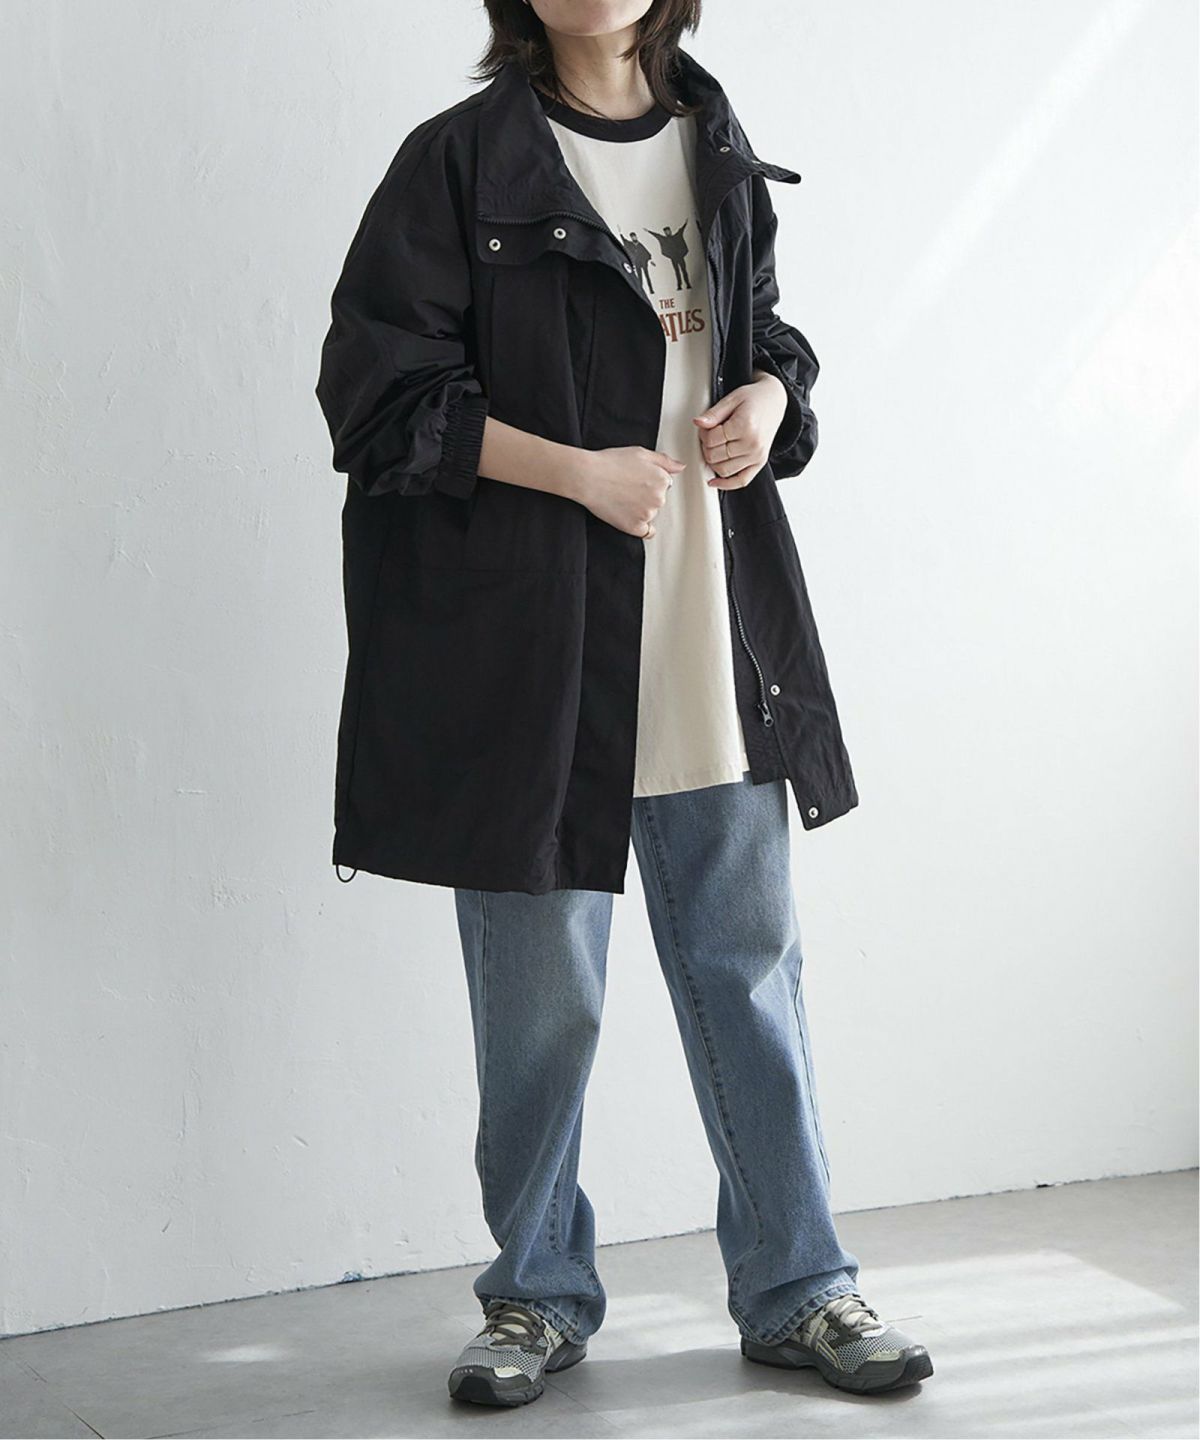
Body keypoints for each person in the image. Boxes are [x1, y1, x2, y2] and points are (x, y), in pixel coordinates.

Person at [315, 0, 933, 1410]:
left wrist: (769, 398)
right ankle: (534, 1295)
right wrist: (577, 471)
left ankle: (801, 1286)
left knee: (752, 983)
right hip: (535, 664)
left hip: (714, 636)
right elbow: (376, 396)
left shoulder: (717, 145)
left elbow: (763, 333)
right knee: (544, 1011)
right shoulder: (461, 162)